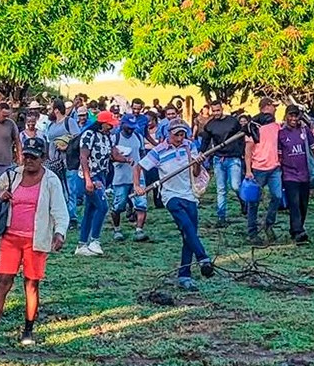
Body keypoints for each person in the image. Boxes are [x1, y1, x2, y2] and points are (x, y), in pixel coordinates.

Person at [0, 137, 66, 349]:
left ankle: (28, 330)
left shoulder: (51, 181)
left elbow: (59, 210)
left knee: (31, 284)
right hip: (11, 238)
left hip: (35, 240)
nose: (29, 161)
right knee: (2, 282)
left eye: (34, 157)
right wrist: (0, 193)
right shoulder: (13, 174)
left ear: (43, 158)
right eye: (26, 156)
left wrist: (59, 233)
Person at [135, 123, 214, 290]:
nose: (179, 138)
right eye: (176, 135)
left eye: (182, 135)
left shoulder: (189, 146)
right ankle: (203, 258)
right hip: (170, 195)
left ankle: (184, 275)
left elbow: (195, 173)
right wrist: (137, 186)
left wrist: (197, 163)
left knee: (189, 234)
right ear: (168, 134)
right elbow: (139, 166)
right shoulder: (159, 151)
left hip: (189, 194)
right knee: (186, 226)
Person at [74, 110, 122, 257]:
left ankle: (82, 244)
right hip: (90, 175)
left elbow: (113, 154)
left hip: (101, 175)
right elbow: (83, 158)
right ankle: (95, 240)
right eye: (109, 124)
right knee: (102, 206)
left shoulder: (107, 137)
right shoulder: (89, 135)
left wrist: (127, 160)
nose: (112, 127)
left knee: (90, 209)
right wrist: (88, 179)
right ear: (102, 123)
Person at [198, 100, 247, 226]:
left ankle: (243, 201)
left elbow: (241, 136)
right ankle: (221, 216)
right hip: (218, 159)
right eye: (214, 111)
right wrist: (201, 152)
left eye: (218, 110)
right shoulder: (210, 125)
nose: (216, 113)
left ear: (222, 109)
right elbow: (205, 141)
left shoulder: (233, 121)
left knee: (235, 186)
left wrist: (241, 152)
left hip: (233, 158)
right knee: (221, 189)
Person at [278, 105, 314, 244]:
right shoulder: (281, 133)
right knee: (294, 203)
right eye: (291, 115)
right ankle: (298, 231)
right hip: (289, 174)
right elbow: (279, 155)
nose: (293, 118)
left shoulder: (304, 130)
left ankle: (296, 228)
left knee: (303, 204)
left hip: (304, 174)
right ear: (286, 116)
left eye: (296, 115)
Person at [244, 98, 283, 245]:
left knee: (277, 196)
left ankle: (269, 224)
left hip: (274, 167)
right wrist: (248, 170)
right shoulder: (253, 126)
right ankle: (252, 232)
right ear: (266, 107)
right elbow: (248, 150)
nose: (275, 109)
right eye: (274, 106)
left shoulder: (276, 126)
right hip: (258, 168)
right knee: (253, 202)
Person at [108, 114, 150, 243]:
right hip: (121, 177)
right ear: (122, 125)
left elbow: (142, 154)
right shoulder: (115, 138)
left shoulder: (138, 137)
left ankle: (139, 229)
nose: (131, 129)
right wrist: (122, 158)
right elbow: (110, 156)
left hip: (138, 176)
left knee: (141, 203)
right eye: (128, 127)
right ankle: (117, 229)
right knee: (118, 205)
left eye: (133, 127)